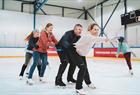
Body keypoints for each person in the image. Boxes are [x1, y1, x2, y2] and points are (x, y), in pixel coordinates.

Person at [70, 23, 108, 94]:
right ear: (90, 30)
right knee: (82, 68)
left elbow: (97, 39)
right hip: (74, 52)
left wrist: (108, 40)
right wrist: (108, 39)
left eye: (97, 30)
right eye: (94, 29)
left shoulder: (92, 37)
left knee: (85, 68)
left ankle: (88, 82)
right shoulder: (88, 36)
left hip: (81, 54)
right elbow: (98, 39)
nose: (96, 31)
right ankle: (78, 88)